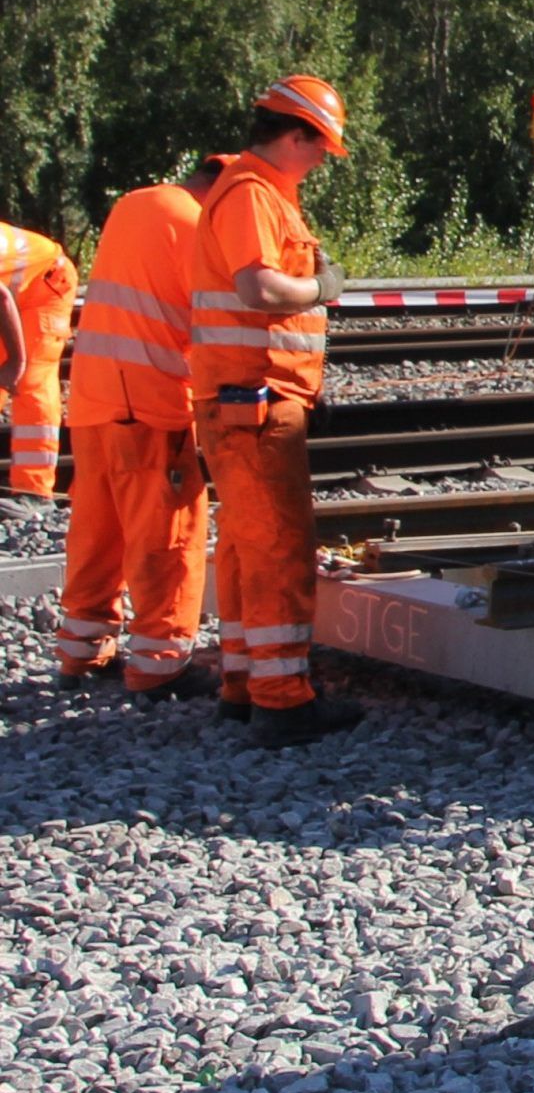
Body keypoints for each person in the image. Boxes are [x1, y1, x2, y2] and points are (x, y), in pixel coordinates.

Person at [191, 74, 363, 746]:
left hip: (247, 400)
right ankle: (283, 699)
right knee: (278, 550)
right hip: (255, 400)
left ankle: (244, 683)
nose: (322, 162)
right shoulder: (253, 193)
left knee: (244, 547)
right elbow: (259, 287)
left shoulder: (257, 193)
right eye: (320, 148)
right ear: (296, 136)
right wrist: (322, 286)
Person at [58, 154, 227, 696]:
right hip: (149, 401)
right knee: (167, 533)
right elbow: (216, 319)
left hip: (91, 397)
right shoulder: (195, 223)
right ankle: (160, 665)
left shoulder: (134, 204)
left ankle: (81, 653)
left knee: (98, 529)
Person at [0, 214, 78, 498]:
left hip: (47, 285)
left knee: (30, 380)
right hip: (14, 292)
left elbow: (2, 299)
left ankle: (34, 490)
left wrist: (15, 363)